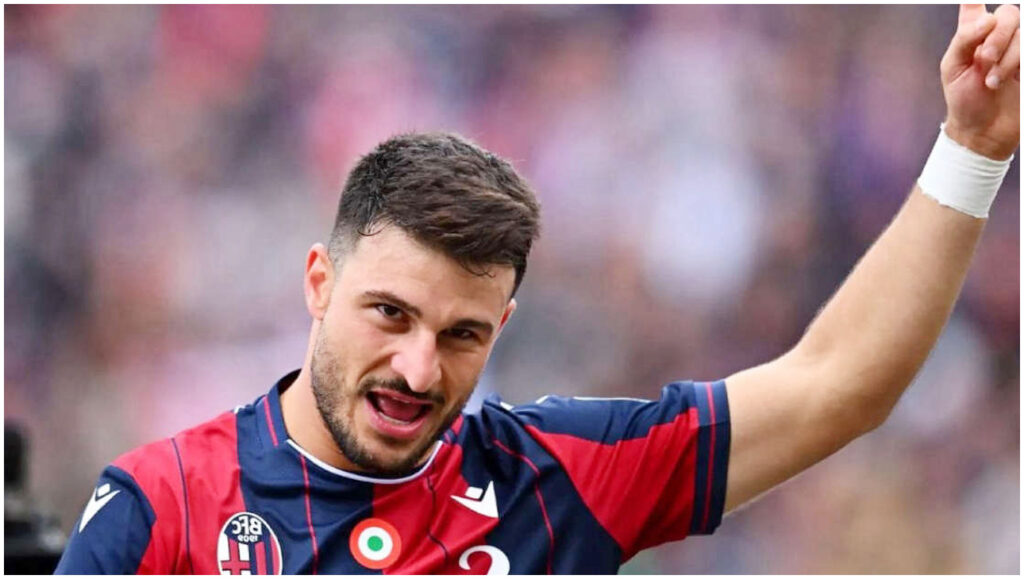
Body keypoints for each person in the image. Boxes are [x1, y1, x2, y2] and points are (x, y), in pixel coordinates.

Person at [56, 4, 1019, 574]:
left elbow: (839, 383)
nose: (418, 368)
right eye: (390, 314)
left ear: (503, 325)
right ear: (319, 282)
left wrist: (972, 148)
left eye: (463, 334)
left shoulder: (556, 478)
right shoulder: (161, 506)